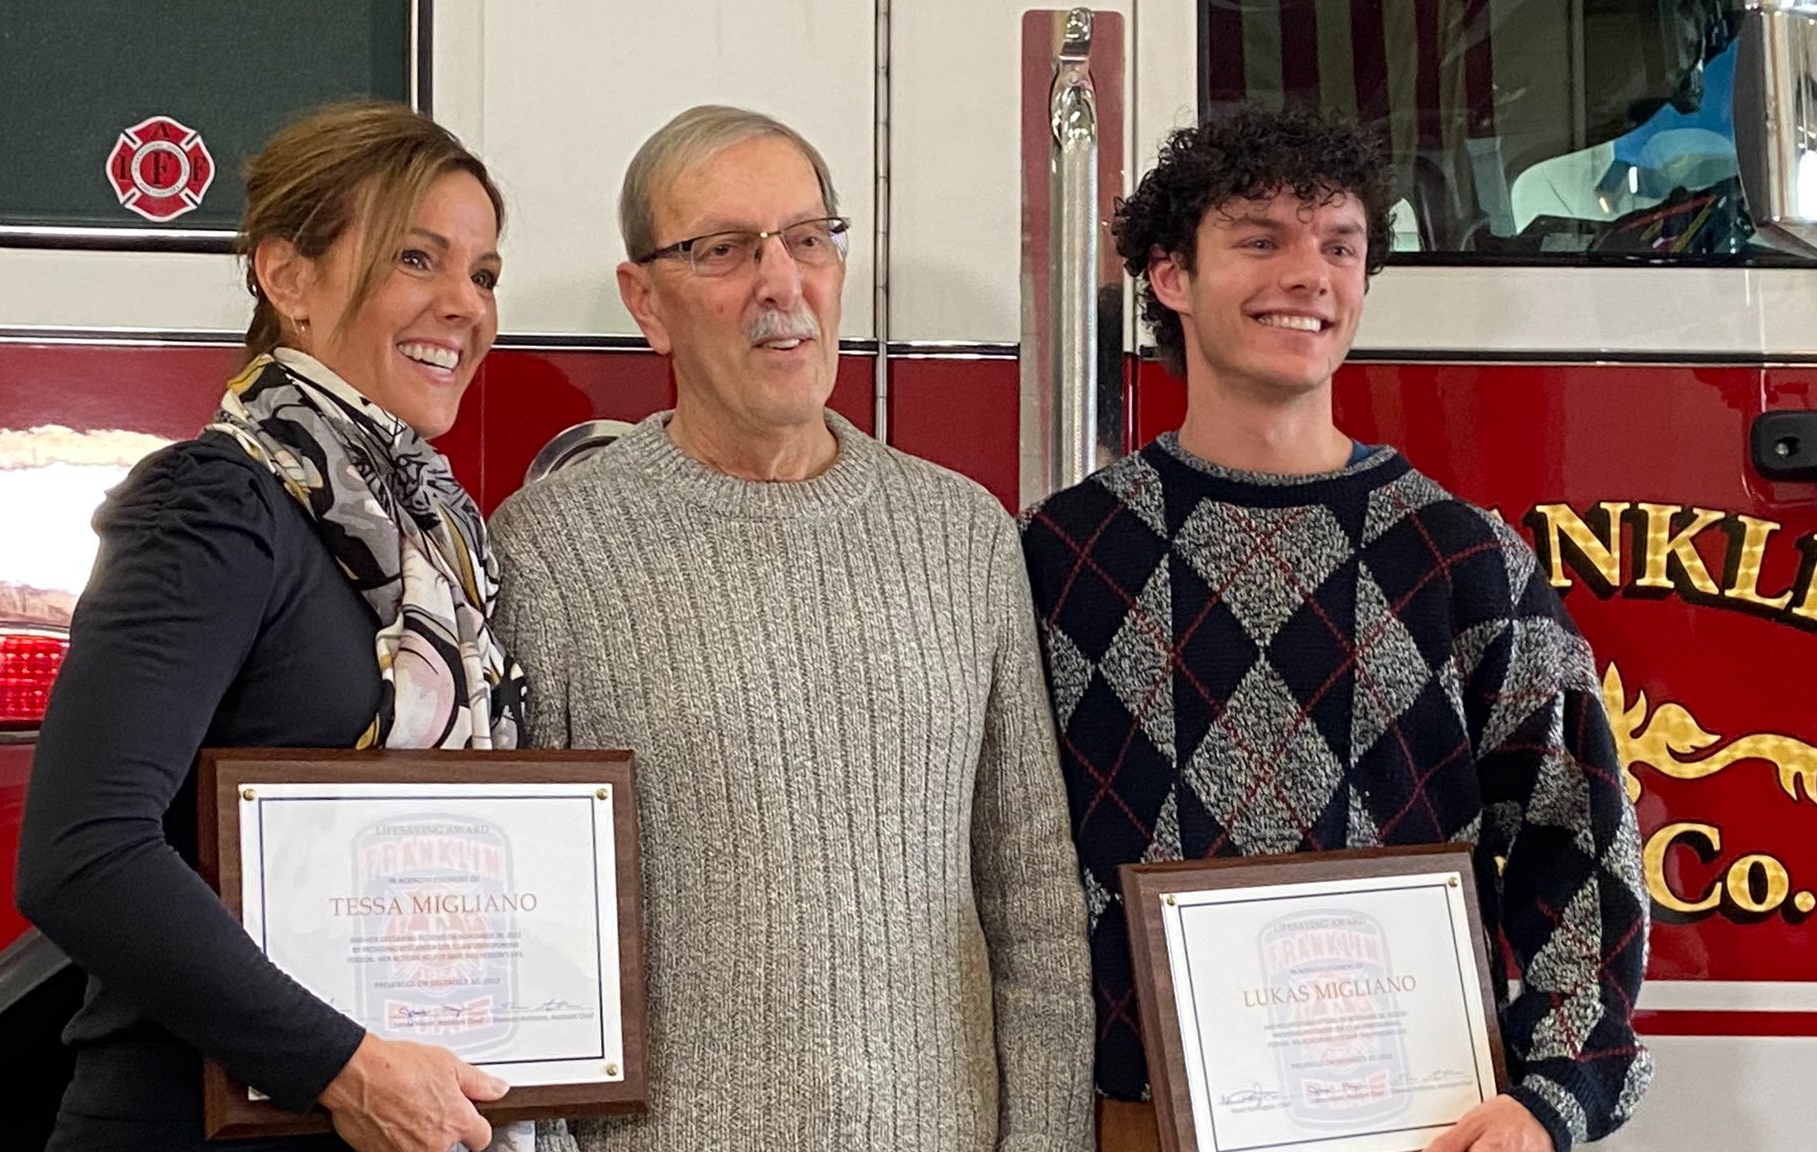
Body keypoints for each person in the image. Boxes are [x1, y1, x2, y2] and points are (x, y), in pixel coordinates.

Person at [1019, 103, 1653, 1152]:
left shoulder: (1465, 559)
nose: (1309, 274)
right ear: (1170, 277)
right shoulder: (1060, 556)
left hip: (1421, 1124)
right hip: (1131, 1126)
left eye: (1339, 245)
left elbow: (1574, 839)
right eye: (1260, 240)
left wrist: (1553, 1099)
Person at [490, 105, 1092, 1152]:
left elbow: (1032, 896)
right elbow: (520, 932)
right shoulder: (550, 549)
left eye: (808, 239)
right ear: (647, 301)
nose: (781, 283)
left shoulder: (961, 534)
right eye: (722, 250)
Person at [16, 101, 531, 1152]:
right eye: (415, 258)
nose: (462, 305)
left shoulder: (430, 537)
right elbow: (82, 854)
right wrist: (344, 1067)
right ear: (287, 277)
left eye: (481, 273)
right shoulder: (212, 507)